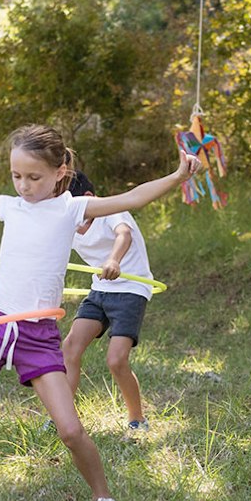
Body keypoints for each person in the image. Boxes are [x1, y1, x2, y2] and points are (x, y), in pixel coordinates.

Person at [0, 125, 195, 501]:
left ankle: (104, 500)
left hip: (37, 334)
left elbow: (132, 198)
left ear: (59, 172)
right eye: (17, 176)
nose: (24, 186)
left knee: (70, 431)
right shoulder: (12, 207)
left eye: (34, 177)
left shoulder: (71, 209)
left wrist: (178, 177)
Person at [63, 171, 156, 434]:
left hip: (131, 288)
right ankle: (64, 417)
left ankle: (137, 419)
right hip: (100, 289)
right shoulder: (67, 224)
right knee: (69, 348)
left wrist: (113, 259)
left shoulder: (110, 211)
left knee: (116, 360)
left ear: (89, 199)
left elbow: (123, 235)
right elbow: (42, 257)